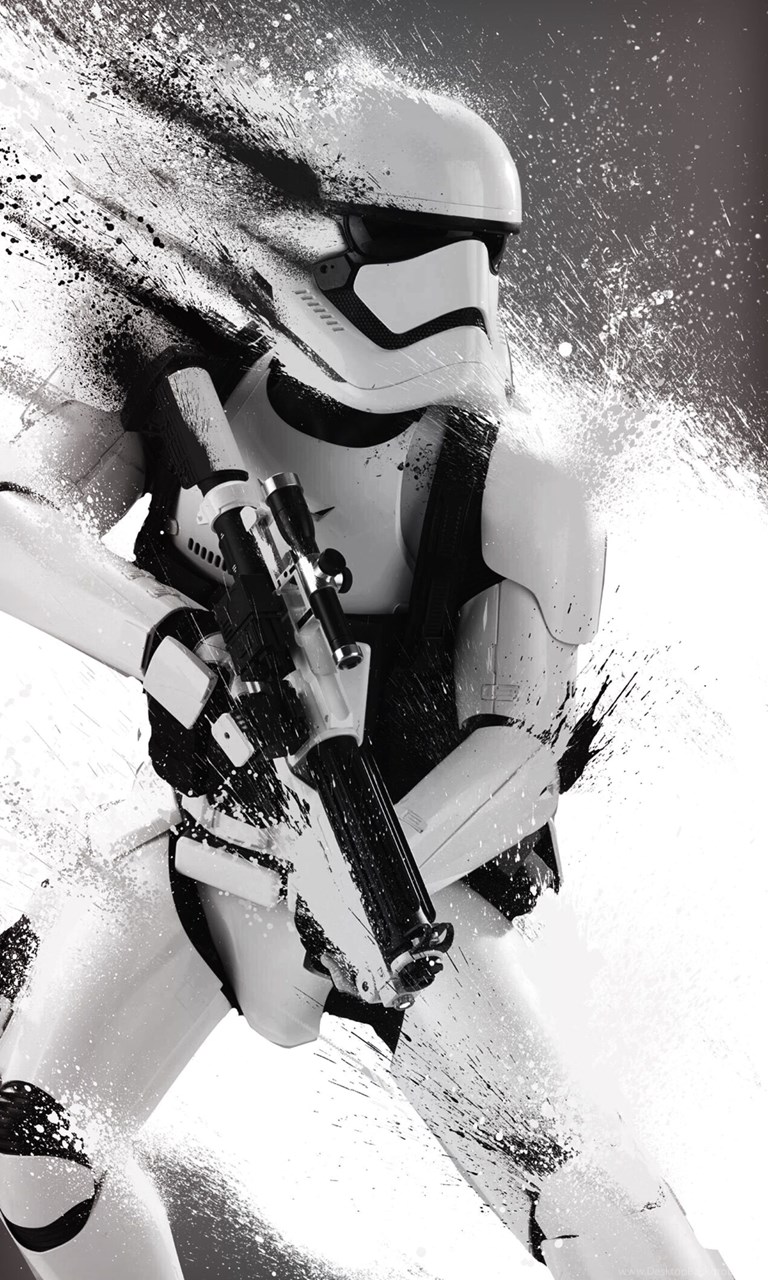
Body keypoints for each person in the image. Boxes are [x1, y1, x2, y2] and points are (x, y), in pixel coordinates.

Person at [0, 83, 733, 1280]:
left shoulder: (517, 483)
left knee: (615, 1229)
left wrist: (364, 870)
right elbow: (17, 525)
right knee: (32, 1136)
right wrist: (177, 652)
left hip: (406, 892)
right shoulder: (183, 375)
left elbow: (520, 755)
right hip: (212, 845)